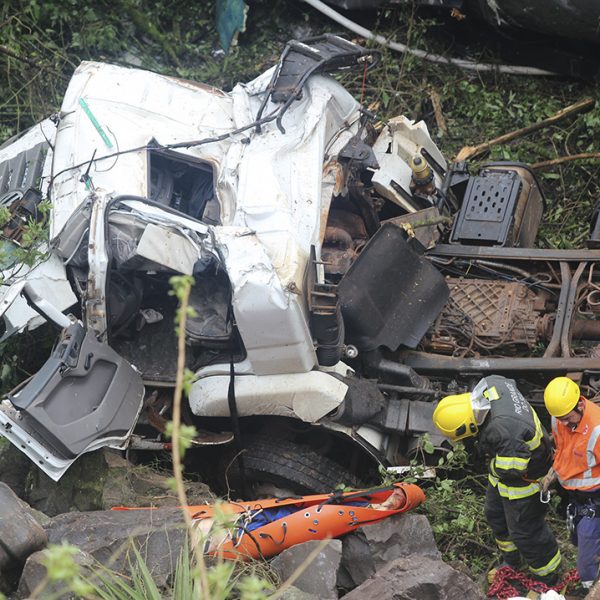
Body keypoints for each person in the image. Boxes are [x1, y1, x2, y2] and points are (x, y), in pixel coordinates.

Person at [433, 374, 561, 584]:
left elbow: (512, 469)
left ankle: (547, 576)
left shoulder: (503, 430)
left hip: (525, 480)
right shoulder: (491, 384)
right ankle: (512, 561)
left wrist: (490, 464)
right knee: (495, 515)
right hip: (503, 469)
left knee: (525, 531)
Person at [542, 376, 600, 589]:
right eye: (560, 418)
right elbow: (563, 450)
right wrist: (553, 473)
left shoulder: (596, 430)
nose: (563, 423)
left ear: (579, 404)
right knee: (576, 540)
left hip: (594, 500)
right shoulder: (559, 418)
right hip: (573, 497)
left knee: (586, 556)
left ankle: (589, 587)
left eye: (567, 418)